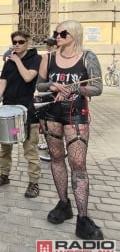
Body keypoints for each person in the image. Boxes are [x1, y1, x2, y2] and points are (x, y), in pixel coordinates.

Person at [36, 20, 104, 240]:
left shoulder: (88, 57)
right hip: (51, 114)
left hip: (76, 115)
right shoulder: (49, 58)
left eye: (62, 33)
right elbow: (40, 85)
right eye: (56, 33)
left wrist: (74, 87)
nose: (57, 36)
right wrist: (53, 86)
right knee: (56, 158)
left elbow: (98, 87)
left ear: (74, 34)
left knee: (78, 164)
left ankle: (83, 218)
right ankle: (64, 204)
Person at [0, 31, 42, 198]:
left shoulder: (36, 59)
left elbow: (28, 77)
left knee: (30, 149)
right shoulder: (9, 61)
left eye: (20, 42)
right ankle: (4, 175)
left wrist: (17, 60)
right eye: (14, 42)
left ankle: (34, 183)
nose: (17, 45)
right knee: (5, 146)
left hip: (28, 111)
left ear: (28, 42)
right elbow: (3, 82)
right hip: (8, 110)